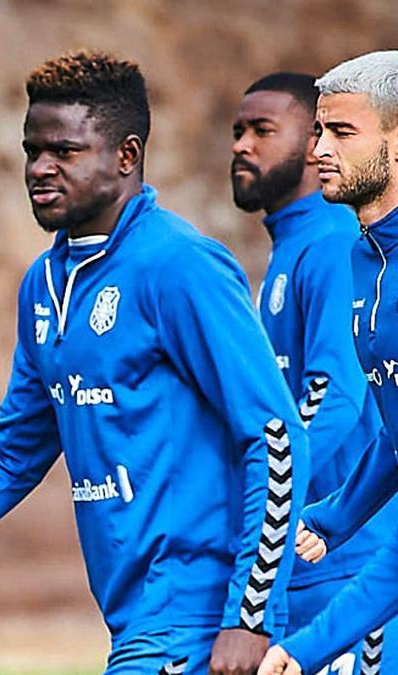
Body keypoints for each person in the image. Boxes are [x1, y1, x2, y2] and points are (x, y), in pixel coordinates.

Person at [0, 50, 310, 675]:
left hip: (197, 626)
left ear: (125, 156)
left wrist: (248, 619)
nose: (40, 168)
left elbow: (276, 436)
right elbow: (8, 456)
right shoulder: (45, 284)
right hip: (136, 625)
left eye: (65, 152)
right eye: (31, 150)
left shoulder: (180, 268)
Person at [232, 71, 391, 675]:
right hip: (325, 554)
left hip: (352, 564)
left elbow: (337, 395)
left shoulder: (328, 241)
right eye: (238, 131)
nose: (241, 145)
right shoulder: (323, 248)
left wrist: (260, 492)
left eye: (263, 130)